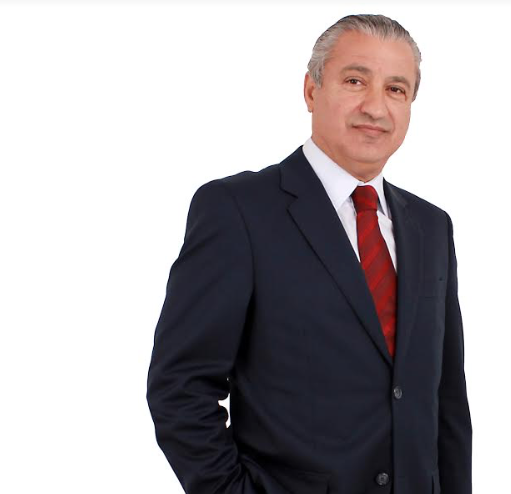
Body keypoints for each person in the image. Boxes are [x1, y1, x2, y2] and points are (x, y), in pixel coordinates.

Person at [146, 13, 472, 494]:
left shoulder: (431, 226)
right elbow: (180, 387)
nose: (375, 107)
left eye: (396, 89)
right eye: (355, 81)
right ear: (311, 90)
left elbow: (446, 400)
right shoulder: (238, 211)